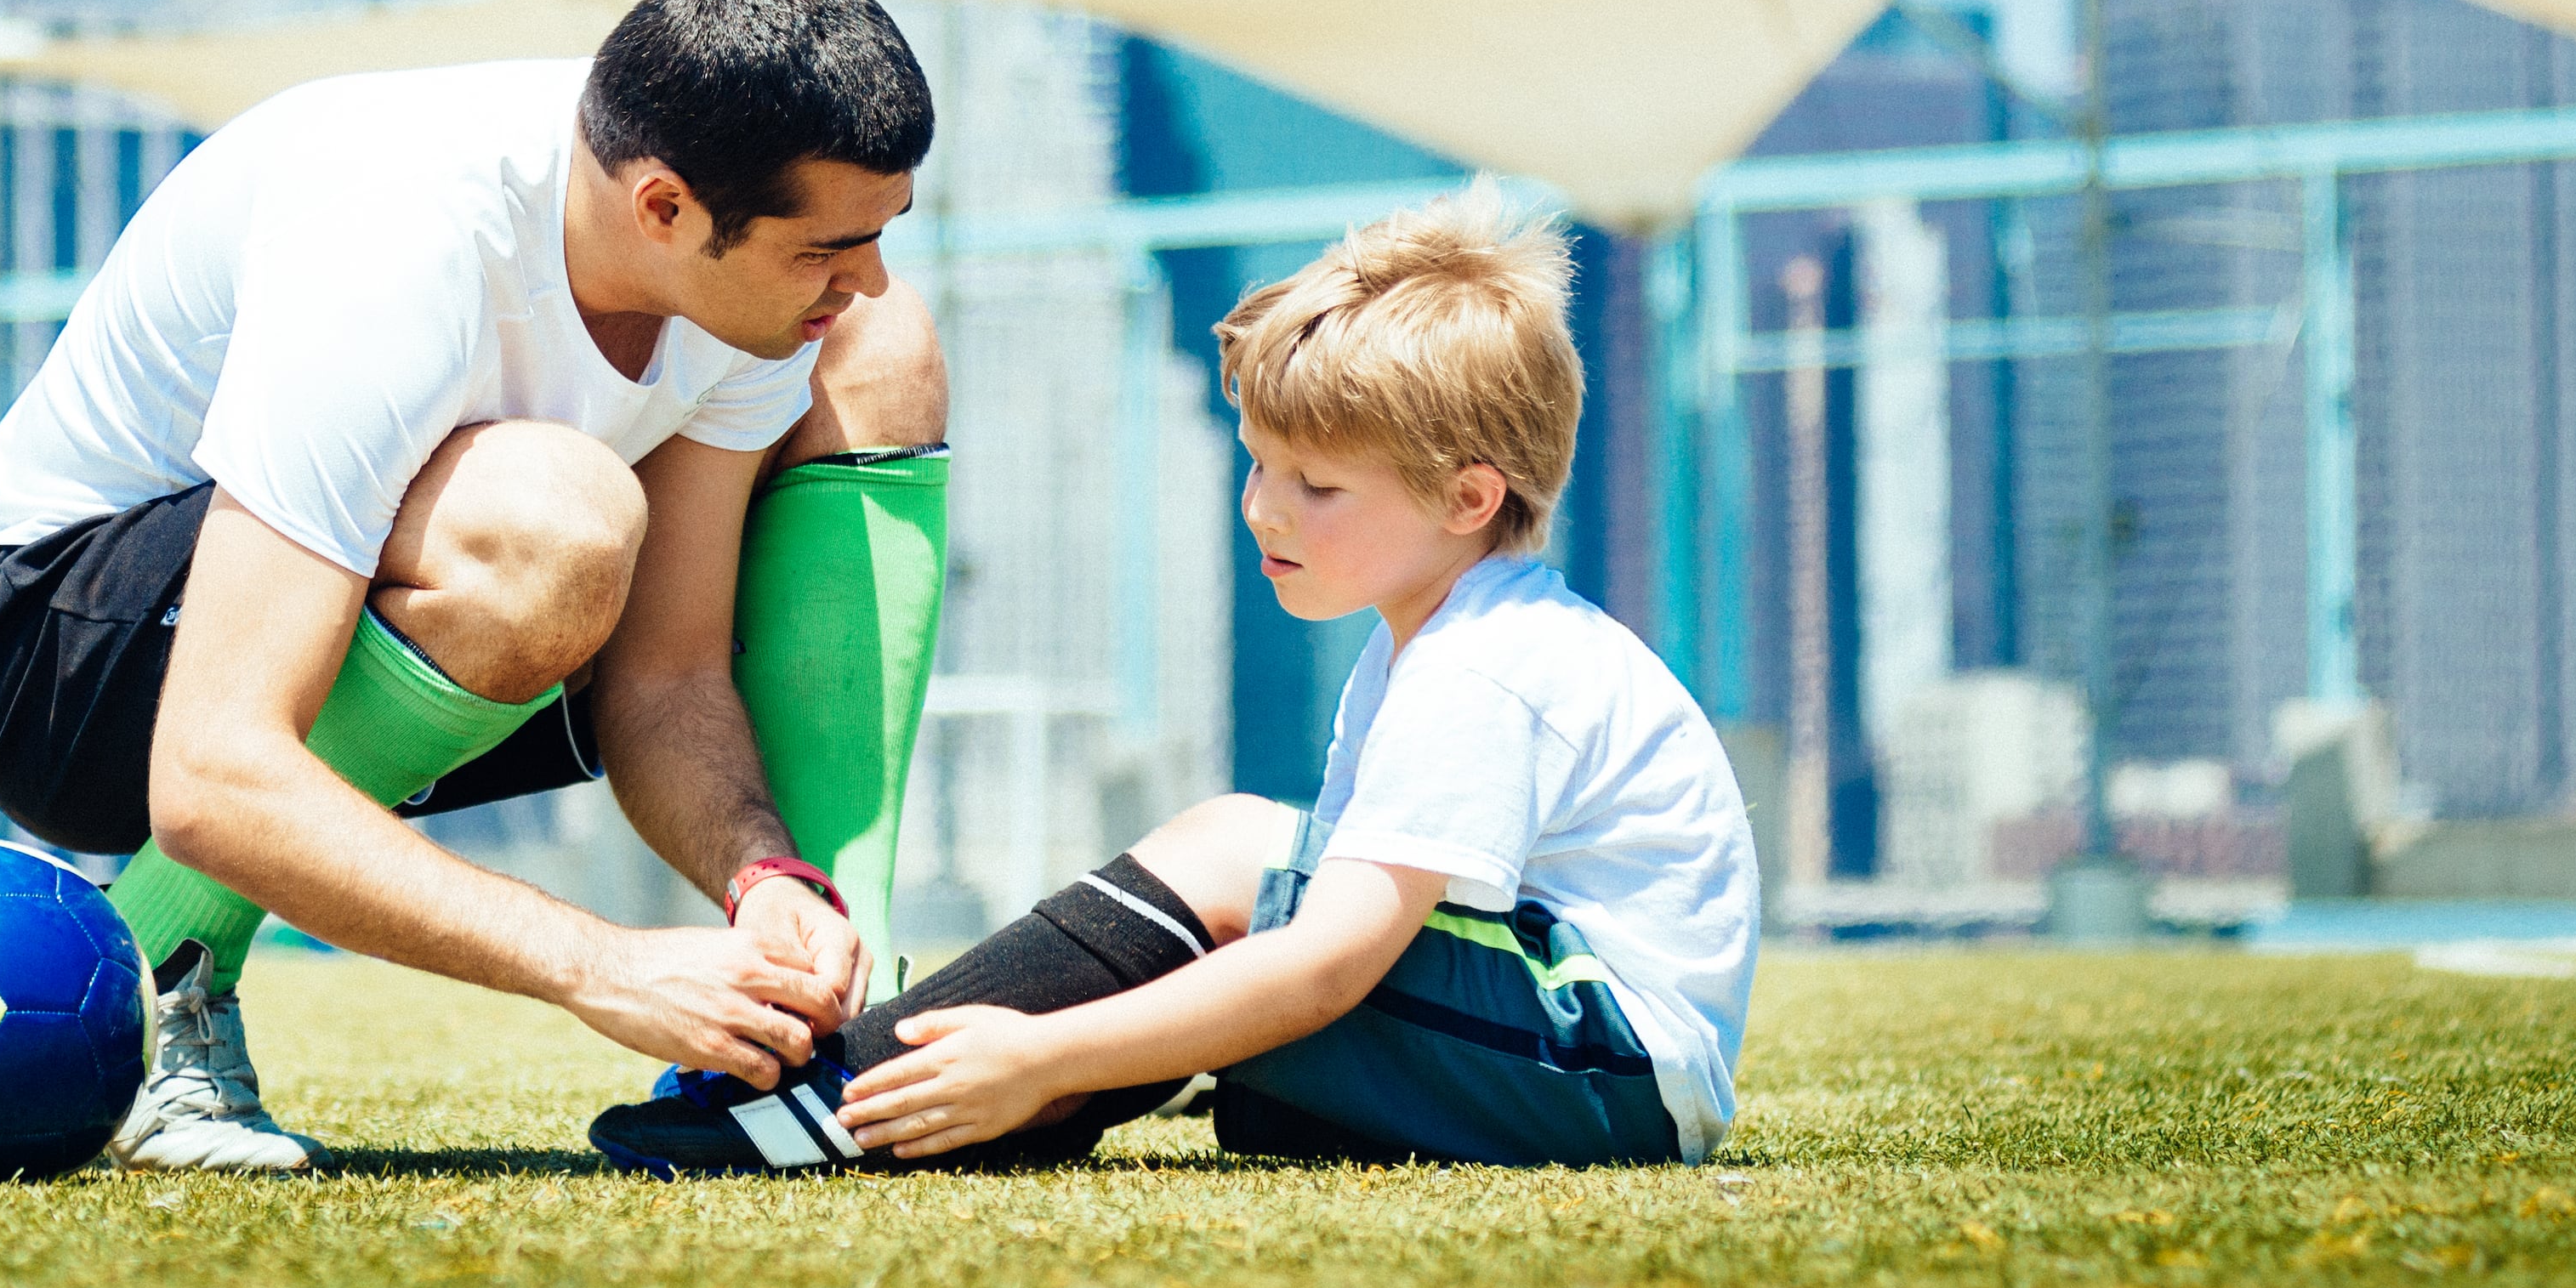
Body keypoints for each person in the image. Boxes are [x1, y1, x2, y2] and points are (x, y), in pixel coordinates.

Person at [0, 0, 958, 1172]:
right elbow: (209, 769)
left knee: (878, 350)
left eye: (881, 230)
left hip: (428, 619)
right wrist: (605, 967)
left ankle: (843, 1019)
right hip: (58, 658)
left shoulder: (745, 260)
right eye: (825, 248)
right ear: (666, 208)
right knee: (552, 521)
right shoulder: (397, 238)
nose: (865, 270)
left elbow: (668, 677)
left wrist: (766, 877)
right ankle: (163, 981)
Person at [589, 189, 1760, 1177]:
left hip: (1612, 1067)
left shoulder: (1483, 665)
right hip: (1582, 1054)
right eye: (1259, 462)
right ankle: (918, 1098)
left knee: (1231, 848)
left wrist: (1048, 1053)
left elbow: (1330, 958)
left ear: (1469, 496)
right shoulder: (1439, 637)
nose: (1262, 506)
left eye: (1317, 483)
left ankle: (844, 1088)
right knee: (1214, 979)